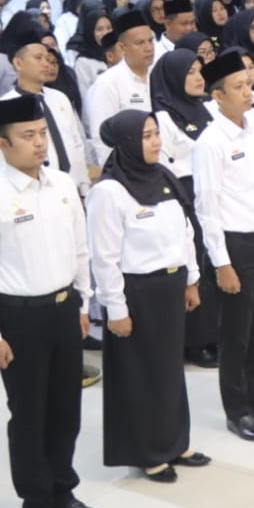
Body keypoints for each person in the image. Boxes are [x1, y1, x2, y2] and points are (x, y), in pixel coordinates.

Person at [0, 95, 103, 508]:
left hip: (64, 310)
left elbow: (80, 250)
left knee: (66, 411)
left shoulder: (61, 185)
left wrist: (83, 305)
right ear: (2, 144)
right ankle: (37, 506)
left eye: (42, 133)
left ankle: (64, 493)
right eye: (27, 136)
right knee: (29, 415)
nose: (39, 143)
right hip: (19, 318)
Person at [88, 111, 206, 483]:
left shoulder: (164, 177)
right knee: (141, 375)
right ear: (126, 144)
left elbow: (185, 232)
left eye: (157, 134)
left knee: (170, 369)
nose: (156, 142)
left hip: (170, 287)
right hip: (136, 293)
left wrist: (191, 279)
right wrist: (115, 309)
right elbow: (104, 257)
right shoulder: (108, 192)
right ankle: (149, 451)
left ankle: (175, 442)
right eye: (146, 136)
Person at [192, 51, 254, 442]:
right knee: (235, 335)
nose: (247, 91)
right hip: (236, 247)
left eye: (248, 83)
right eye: (238, 87)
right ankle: (237, 411)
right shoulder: (211, 142)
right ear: (218, 96)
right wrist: (221, 263)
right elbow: (207, 208)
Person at [150, 49, 220, 369]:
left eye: (199, 71)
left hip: (209, 193)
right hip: (182, 196)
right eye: (189, 72)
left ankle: (212, 333)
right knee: (193, 269)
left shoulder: (205, 109)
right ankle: (194, 341)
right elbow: (162, 167)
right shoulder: (164, 118)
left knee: (211, 264)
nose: (197, 77)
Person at [0, 28, 90, 197]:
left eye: (47, 59)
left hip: (71, 188)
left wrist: (84, 186)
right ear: (18, 63)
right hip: (32, 194)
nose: (46, 63)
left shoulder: (59, 98)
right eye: (38, 58)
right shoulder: (4, 106)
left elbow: (76, 144)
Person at [85, 10, 155, 164]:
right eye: (140, 43)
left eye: (150, 41)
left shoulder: (158, 76)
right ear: (123, 48)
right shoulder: (108, 83)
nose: (149, 48)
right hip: (127, 171)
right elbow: (101, 139)